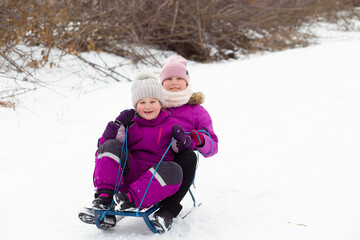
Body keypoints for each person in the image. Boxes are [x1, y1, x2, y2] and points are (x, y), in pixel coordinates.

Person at [78, 71, 193, 229]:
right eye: (142, 102)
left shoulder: (170, 124)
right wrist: (115, 125)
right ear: (135, 105)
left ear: (161, 103)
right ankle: (105, 198)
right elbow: (105, 149)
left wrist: (183, 140)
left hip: (153, 182)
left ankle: (129, 200)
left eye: (153, 101)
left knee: (175, 169)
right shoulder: (129, 123)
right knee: (111, 145)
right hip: (129, 175)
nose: (147, 106)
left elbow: (183, 149)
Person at [149, 55, 219, 232]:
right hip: (152, 156)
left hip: (179, 160)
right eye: (169, 79)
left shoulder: (196, 111)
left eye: (179, 78)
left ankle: (168, 210)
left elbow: (213, 147)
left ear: (186, 82)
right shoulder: (154, 105)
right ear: (161, 83)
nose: (174, 82)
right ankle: (112, 200)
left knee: (189, 156)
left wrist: (200, 140)